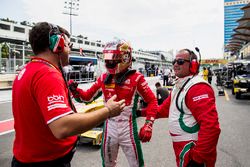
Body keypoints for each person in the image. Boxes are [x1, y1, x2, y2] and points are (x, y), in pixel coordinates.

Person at [11, 22, 125, 167]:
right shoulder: (47, 74)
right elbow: (62, 127)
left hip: (29, 158)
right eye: (68, 45)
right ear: (57, 45)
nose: (69, 51)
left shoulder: (27, 70)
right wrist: (108, 111)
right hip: (46, 162)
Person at [68, 39, 158, 167]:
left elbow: (152, 101)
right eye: (107, 58)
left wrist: (149, 124)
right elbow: (87, 97)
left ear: (126, 57)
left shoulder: (136, 78)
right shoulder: (103, 77)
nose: (109, 62)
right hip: (109, 128)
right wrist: (76, 91)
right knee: (108, 164)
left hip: (128, 130)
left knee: (137, 164)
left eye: (113, 58)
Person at [155, 49, 221, 167]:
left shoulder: (198, 87)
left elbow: (211, 127)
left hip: (194, 150)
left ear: (193, 64)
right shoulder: (180, 85)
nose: (175, 64)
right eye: (174, 61)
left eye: (180, 61)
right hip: (183, 148)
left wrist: (197, 160)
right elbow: (162, 110)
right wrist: (139, 112)